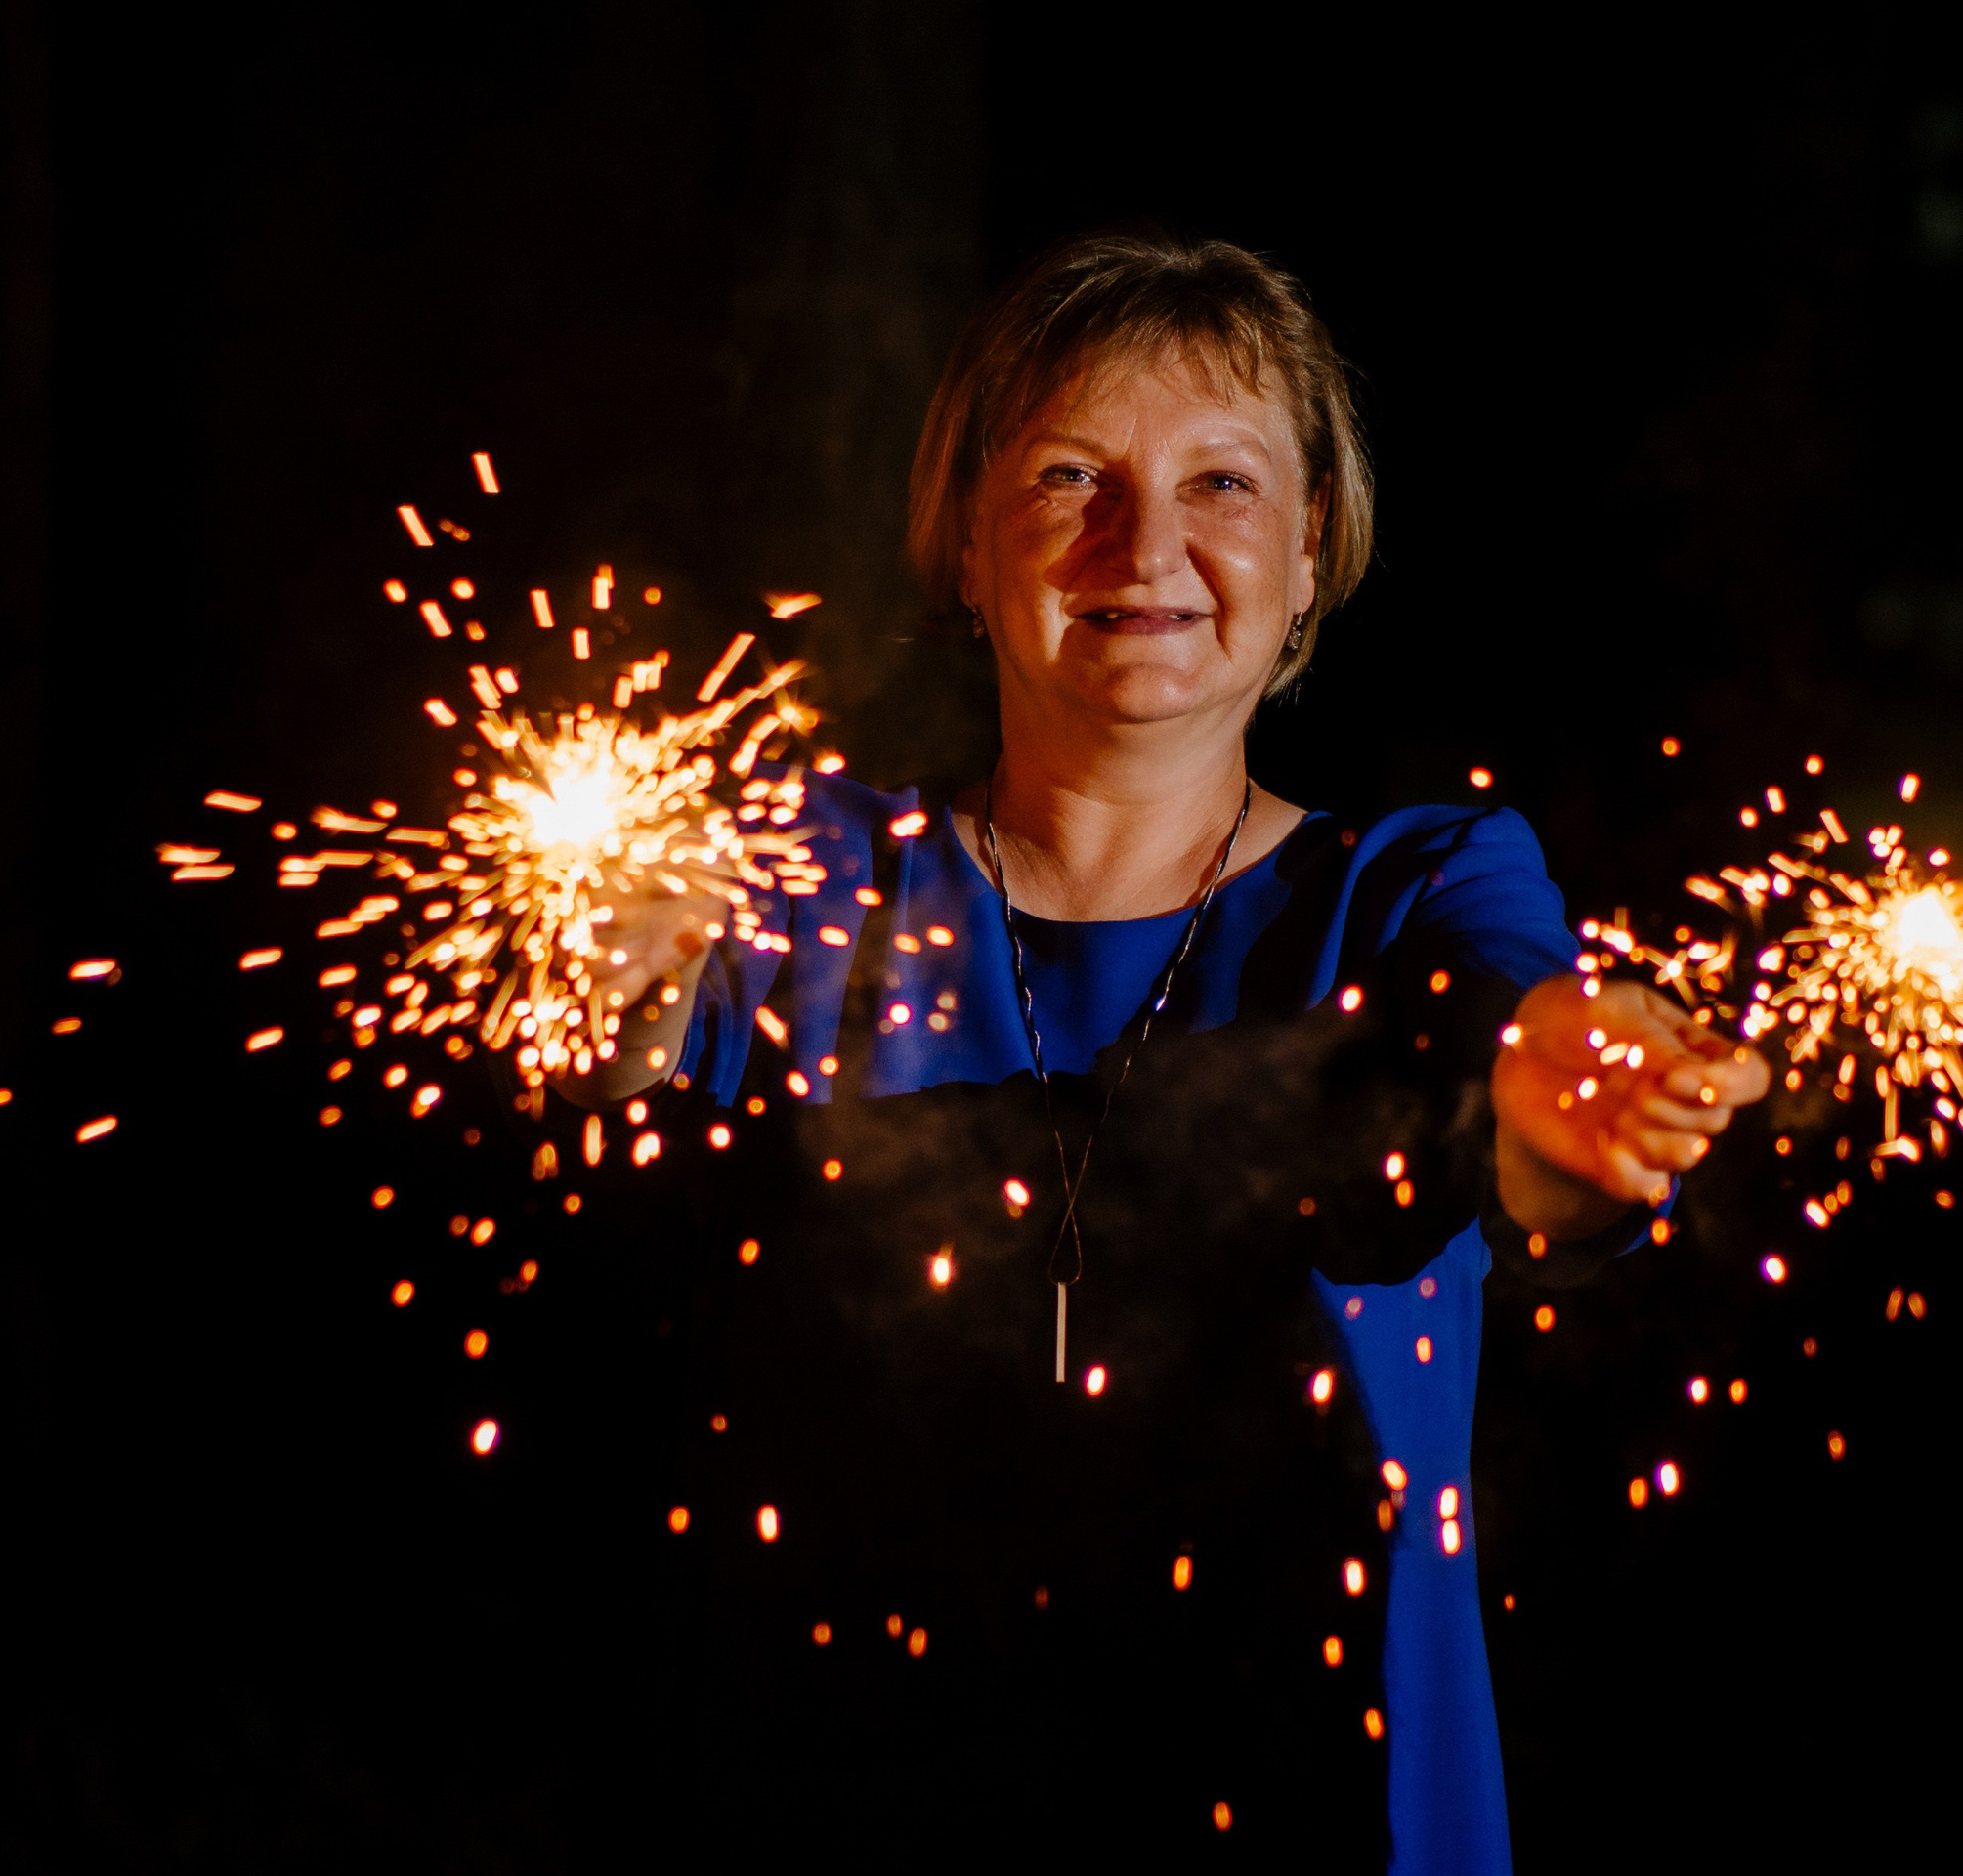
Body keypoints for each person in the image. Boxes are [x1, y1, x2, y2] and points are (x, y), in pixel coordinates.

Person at [562, 232, 1767, 1869]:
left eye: (1223, 482)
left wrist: (1574, 1109)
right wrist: (600, 973)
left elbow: (1519, 1093)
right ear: (969, 543)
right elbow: (607, 1054)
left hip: (1320, 1816)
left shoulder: (1419, 889)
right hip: (861, 1804)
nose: (1149, 544)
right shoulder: (811, 875)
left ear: (1310, 547)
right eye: (1072, 474)